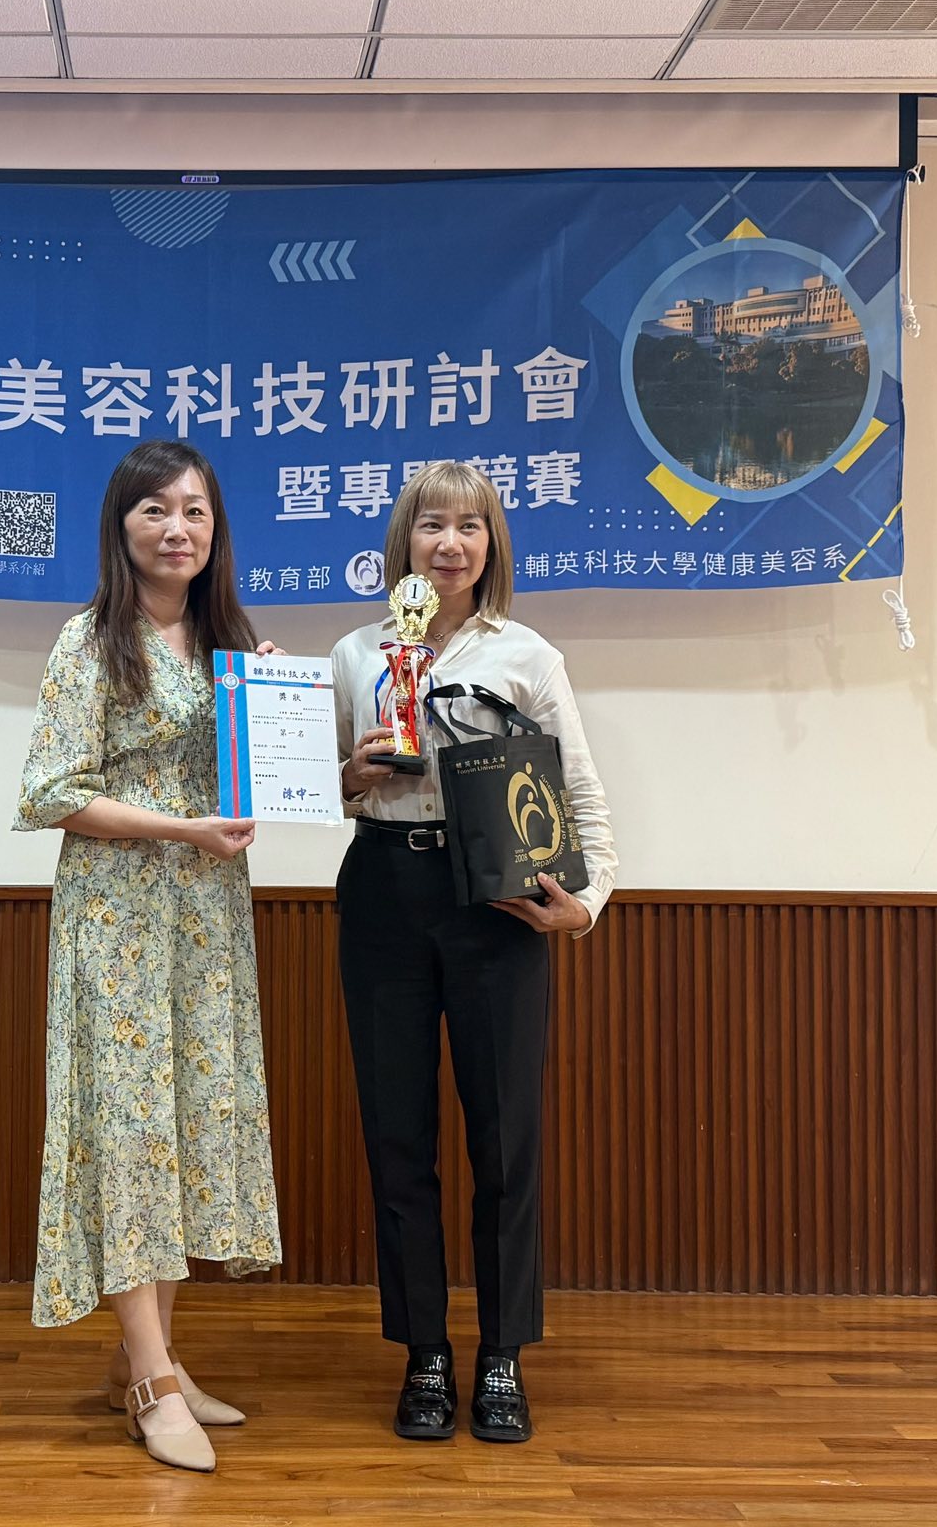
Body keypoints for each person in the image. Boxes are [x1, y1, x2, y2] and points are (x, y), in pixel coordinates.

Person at [330, 460, 617, 1444]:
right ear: (402, 542)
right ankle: (424, 1354)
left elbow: (578, 792)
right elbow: (312, 787)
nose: (449, 544)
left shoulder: (526, 655)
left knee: (505, 1138)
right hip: (383, 891)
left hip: (496, 899)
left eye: (469, 526)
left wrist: (584, 905)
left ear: (491, 544)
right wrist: (349, 773)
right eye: (430, 526)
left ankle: (500, 1354)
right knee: (397, 1138)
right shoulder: (355, 653)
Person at [14, 439, 284, 1474]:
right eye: (155, 511)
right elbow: (52, 792)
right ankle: (152, 1382)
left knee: (182, 1124)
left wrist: (293, 725)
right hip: (118, 915)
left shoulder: (229, 645)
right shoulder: (88, 641)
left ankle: (153, 1360)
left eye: (195, 511)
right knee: (129, 1130)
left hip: (207, 919)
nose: (178, 529)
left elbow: (257, 780)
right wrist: (181, 830)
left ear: (217, 530)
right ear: (120, 526)